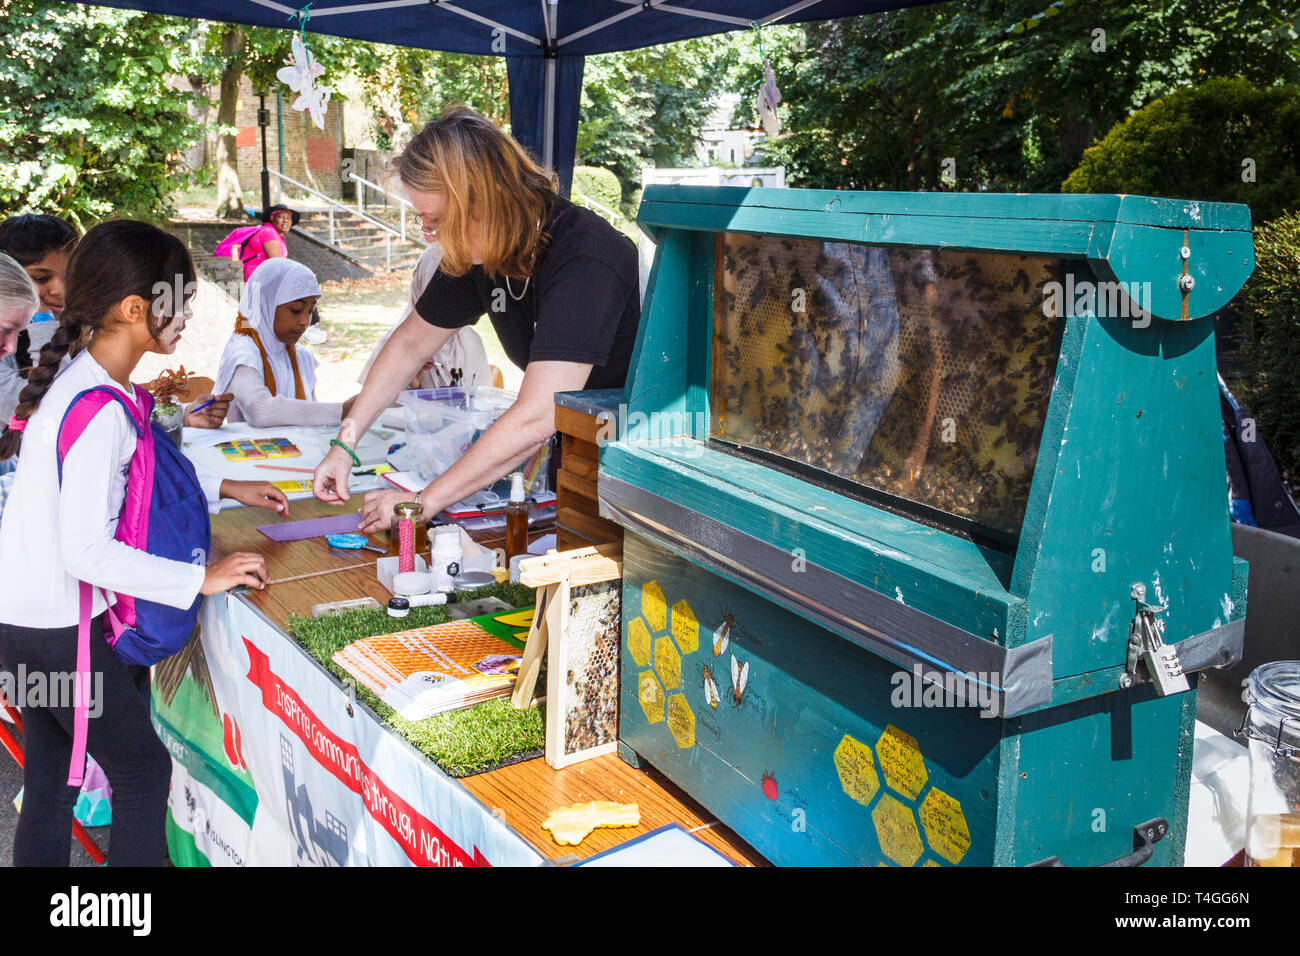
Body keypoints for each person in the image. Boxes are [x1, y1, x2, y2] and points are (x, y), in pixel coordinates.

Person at [0, 220, 284, 866]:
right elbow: (87, 552)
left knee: (51, 780)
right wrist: (201, 579)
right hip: (58, 632)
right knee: (142, 776)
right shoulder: (97, 405)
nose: (186, 316)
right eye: (178, 302)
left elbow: (141, 485)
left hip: (22, 626)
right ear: (134, 310)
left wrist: (227, 487)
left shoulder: (89, 383)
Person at [313, 106, 640, 531]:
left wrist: (419, 503)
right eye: (422, 220)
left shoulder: (586, 256)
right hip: (575, 449)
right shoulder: (479, 252)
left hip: (633, 463)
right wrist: (345, 444)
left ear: (485, 201)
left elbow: (539, 413)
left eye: (439, 220)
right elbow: (410, 344)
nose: (430, 235)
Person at [0, 214, 231, 434]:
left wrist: (180, 416)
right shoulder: (11, 343)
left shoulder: (73, 336)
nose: (60, 290)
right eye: (40, 279)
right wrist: (42, 321)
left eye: (69, 276)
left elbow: (103, 415)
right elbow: (55, 412)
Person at [214, 257, 356, 427]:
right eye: (296, 310)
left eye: (310, 311)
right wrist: (340, 411)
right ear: (266, 304)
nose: (305, 321)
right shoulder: (243, 351)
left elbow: (311, 414)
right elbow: (259, 410)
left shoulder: (300, 356)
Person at [356, 242, 493, 391]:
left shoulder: (469, 343)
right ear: (420, 284)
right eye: (434, 292)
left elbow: (484, 404)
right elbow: (374, 407)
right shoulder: (395, 346)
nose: (444, 301)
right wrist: (412, 384)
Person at [238, 204, 298, 282]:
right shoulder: (268, 232)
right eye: (280, 217)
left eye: (288, 218)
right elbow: (277, 263)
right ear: (272, 218)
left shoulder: (275, 234)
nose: (285, 220)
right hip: (258, 281)